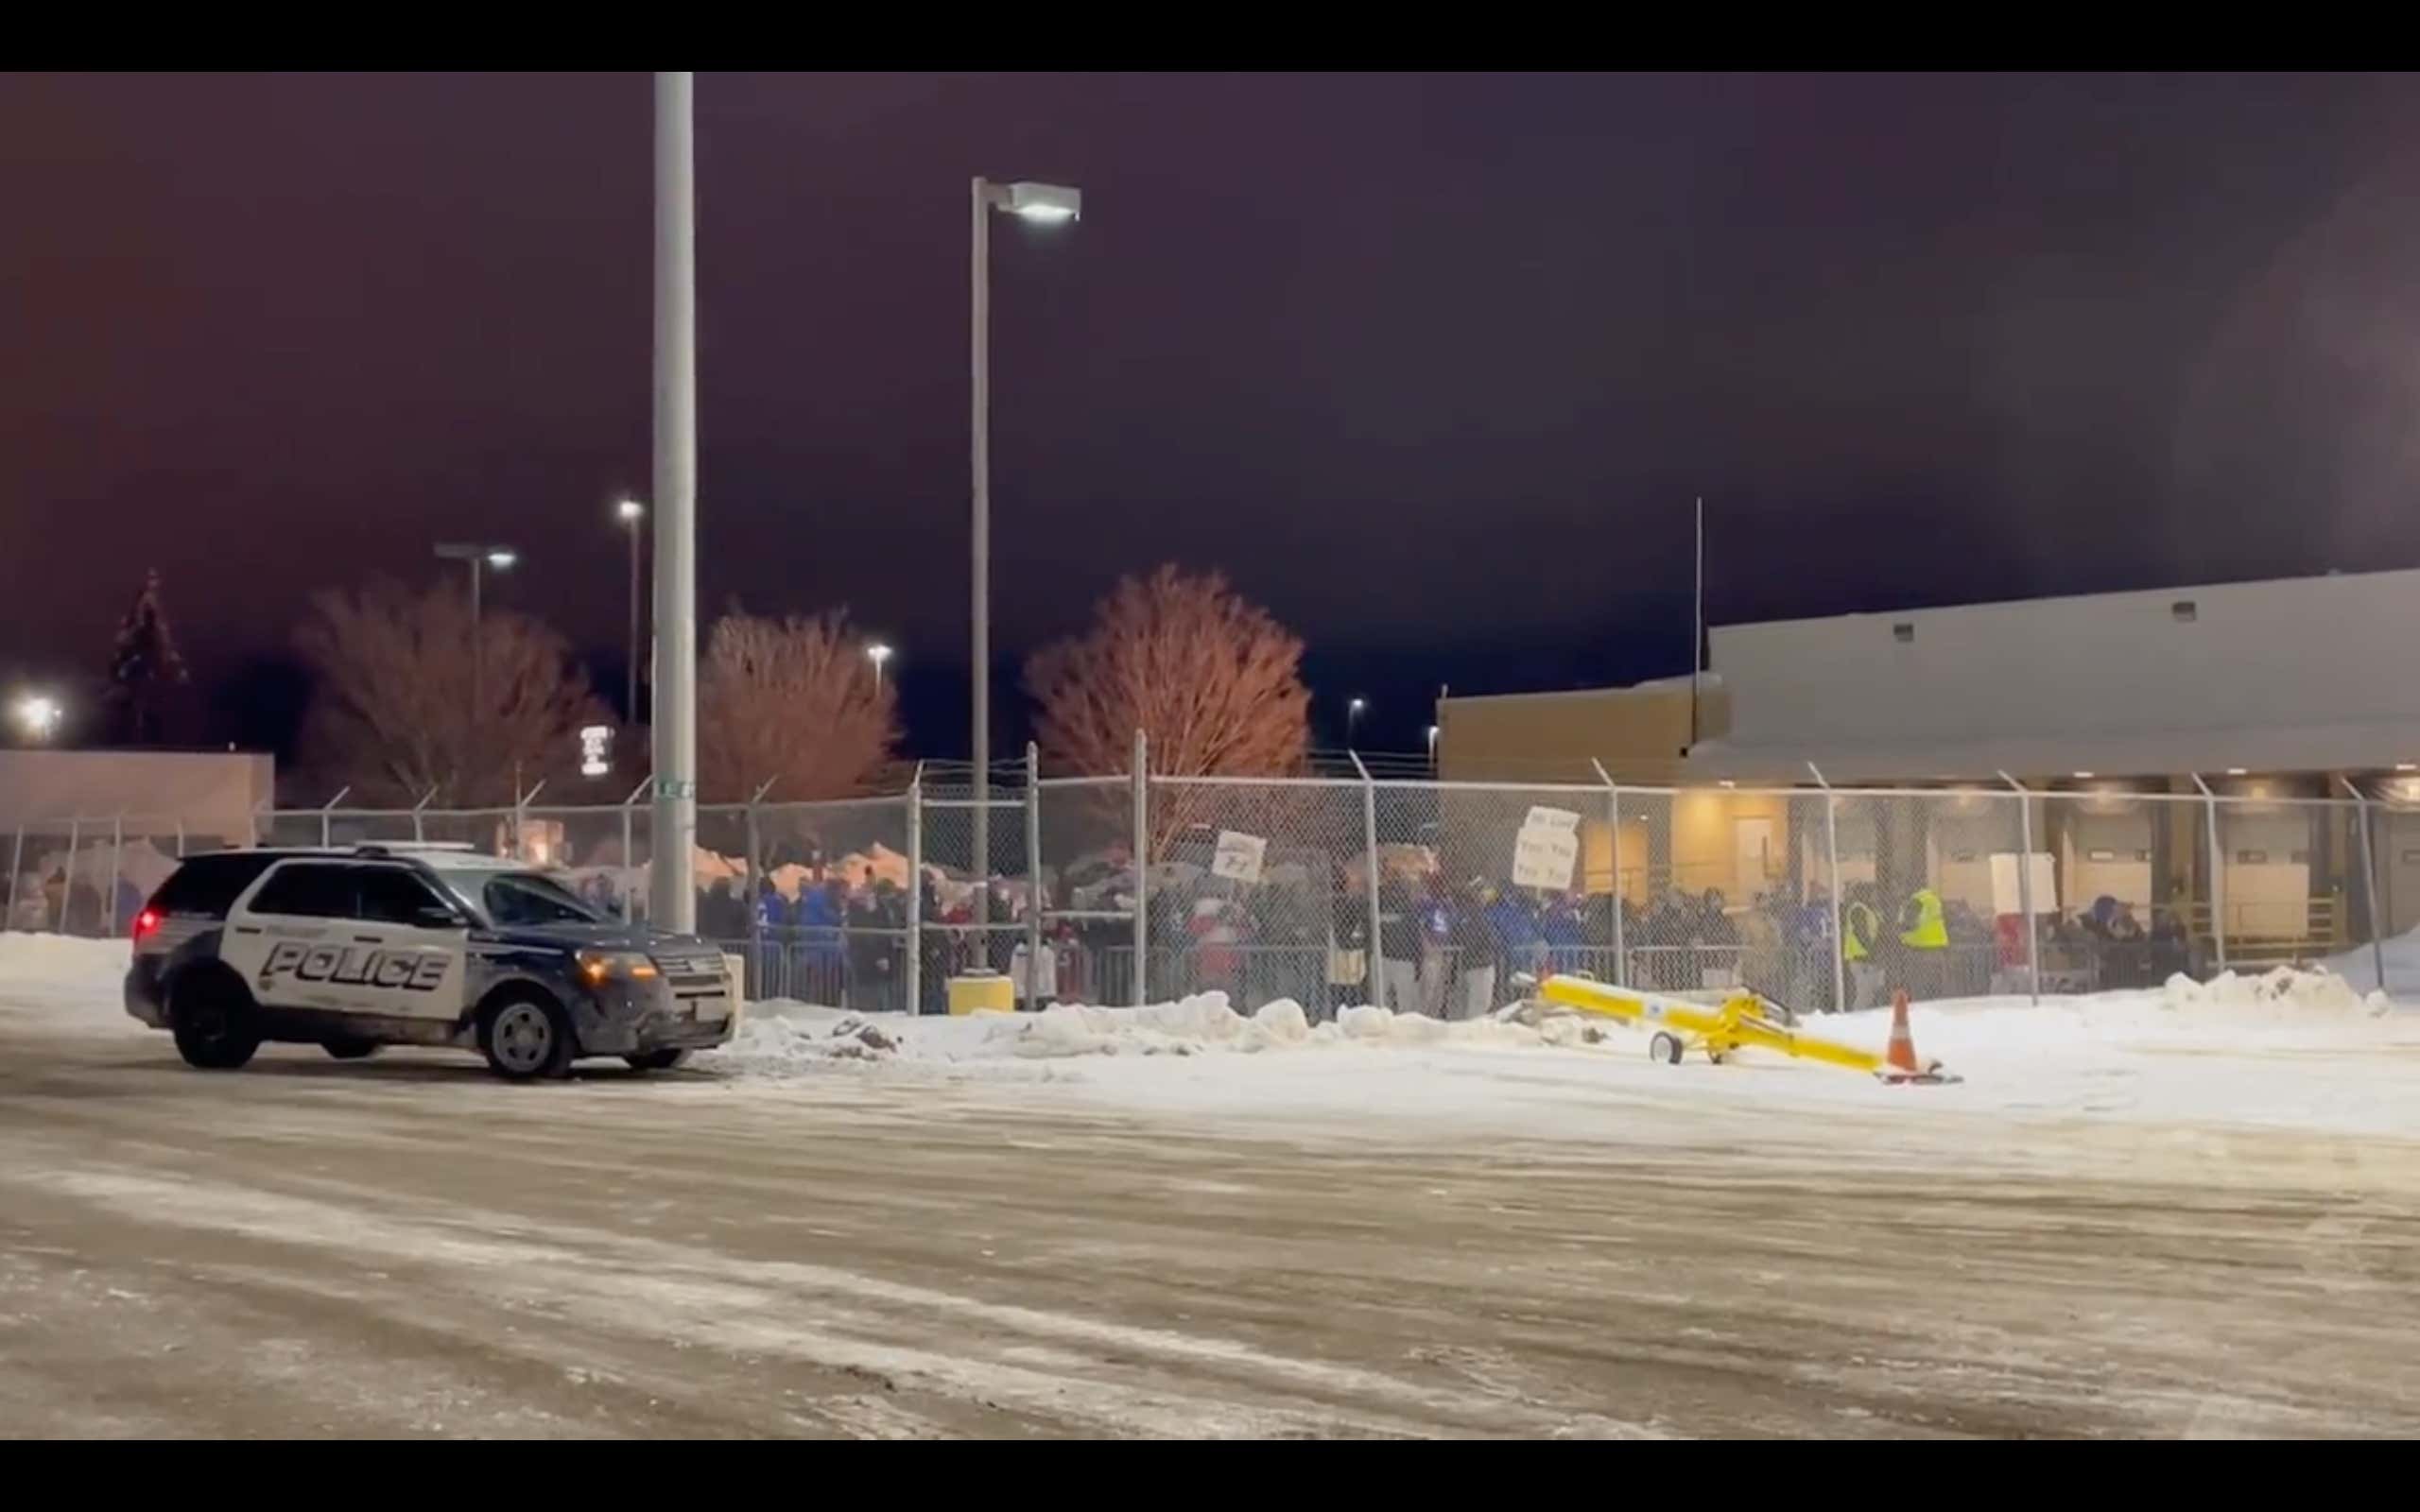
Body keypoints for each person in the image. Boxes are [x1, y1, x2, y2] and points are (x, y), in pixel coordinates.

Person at [1374, 871, 1422, 1013]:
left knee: (1390, 1001)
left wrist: (1417, 960)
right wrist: (1417, 961)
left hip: (1395, 959)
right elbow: (1416, 938)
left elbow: (1415, 936)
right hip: (1394, 959)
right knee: (1398, 1002)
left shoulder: (1406, 909)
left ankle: (1395, 1025)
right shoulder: (1382, 906)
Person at [1897, 884, 1948, 1001]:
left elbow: (1909, 924)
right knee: (1936, 990)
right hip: (1937, 950)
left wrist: (1898, 929)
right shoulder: (1933, 899)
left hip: (1920, 951)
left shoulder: (1916, 901)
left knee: (1919, 990)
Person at [1842, 891, 1884, 1012]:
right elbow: (1861, 933)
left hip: (1866, 957)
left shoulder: (1868, 910)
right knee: (1864, 995)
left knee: (1871, 992)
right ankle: (1857, 1018)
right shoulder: (1858, 909)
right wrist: (1872, 953)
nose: (1874, 897)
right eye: (1871, 894)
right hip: (1861, 958)